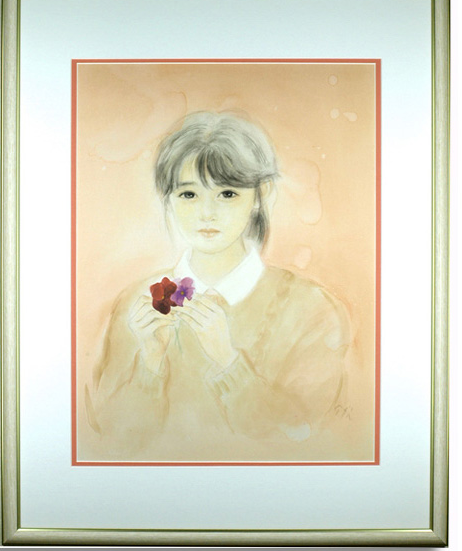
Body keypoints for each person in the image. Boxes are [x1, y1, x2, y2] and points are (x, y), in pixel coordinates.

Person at [84, 111, 352, 462]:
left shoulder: (311, 309)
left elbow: (305, 440)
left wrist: (228, 362)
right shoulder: (136, 305)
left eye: (227, 193)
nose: (206, 213)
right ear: (168, 199)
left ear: (260, 195)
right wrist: (149, 364)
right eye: (188, 194)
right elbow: (112, 443)